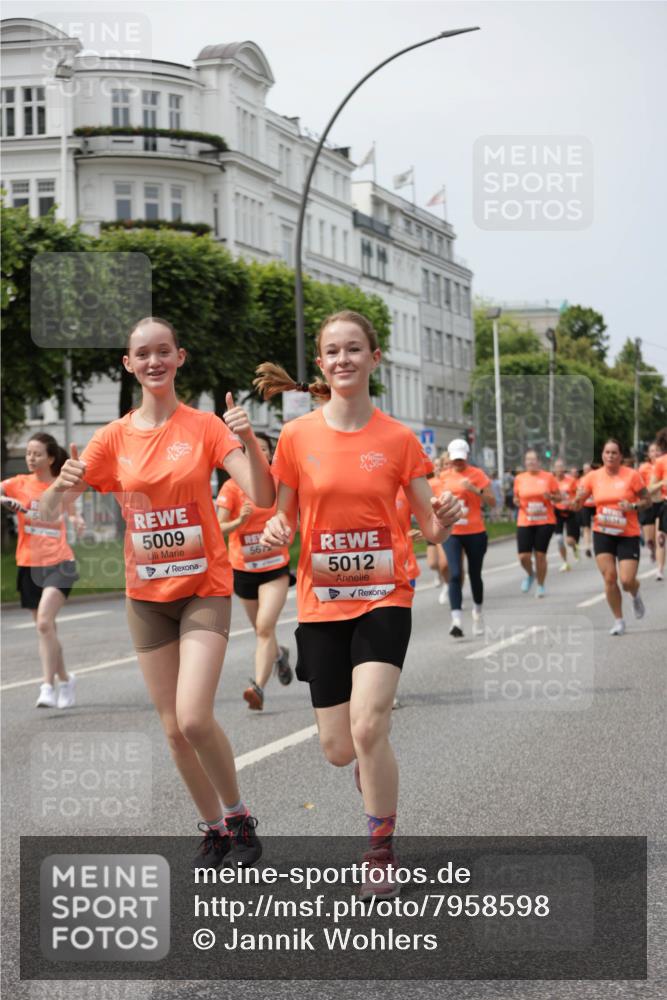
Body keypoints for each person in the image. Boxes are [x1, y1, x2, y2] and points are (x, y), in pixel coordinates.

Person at [41, 317, 274, 870]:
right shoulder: (112, 438)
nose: (153, 361)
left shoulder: (205, 428)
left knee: (194, 717)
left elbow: (261, 495)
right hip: (145, 596)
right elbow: (50, 515)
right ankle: (215, 829)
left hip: (203, 588)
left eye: (163, 352)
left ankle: (239, 815)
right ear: (129, 363)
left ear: (179, 357)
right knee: (172, 731)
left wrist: (246, 438)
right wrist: (62, 481)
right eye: (142, 354)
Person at [253, 310, 460, 899]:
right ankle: (371, 783)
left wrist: (442, 521)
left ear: (374, 358)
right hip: (321, 601)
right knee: (340, 749)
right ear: (320, 364)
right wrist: (275, 534)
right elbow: (284, 516)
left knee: (370, 726)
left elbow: (430, 526)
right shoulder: (296, 437)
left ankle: (380, 849)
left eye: (353, 350)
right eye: (332, 352)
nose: (343, 359)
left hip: (384, 595)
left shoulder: (396, 439)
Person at [1, 433, 82, 709]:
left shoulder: (58, 486)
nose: (31, 458)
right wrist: (4, 501)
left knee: (45, 623)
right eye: (28, 453)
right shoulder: (18, 483)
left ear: (50, 458)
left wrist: (78, 520)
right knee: (46, 629)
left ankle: (47, 685)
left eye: (36, 453)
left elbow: (73, 510)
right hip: (29, 563)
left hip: (60, 563)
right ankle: (66, 678)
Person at [216, 431, 293, 711]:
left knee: (264, 627)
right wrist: (239, 521)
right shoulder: (231, 488)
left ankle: (258, 688)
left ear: (271, 455)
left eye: (263, 449)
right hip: (244, 569)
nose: (257, 453)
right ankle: (279, 655)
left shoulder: (279, 483)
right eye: (251, 448)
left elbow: (294, 515)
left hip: (275, 567)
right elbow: (217, 527)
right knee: (262, 631)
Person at [575, 438, 651, 635]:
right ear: (602, 455)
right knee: (609, 578)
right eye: (607, 452)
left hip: (627, 533)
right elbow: (577, 504)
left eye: (614, 453)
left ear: (621, 456)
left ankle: (635, 593)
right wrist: (576, 499)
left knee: (626, 580)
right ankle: (619, 620)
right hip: (603, 531)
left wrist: (633, 506)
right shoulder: (592, 477)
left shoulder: (632, 476)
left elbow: (647, 501)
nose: (610, 456)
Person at [437, 438, 495, 637]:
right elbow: (433, 503)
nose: (458, 463)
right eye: (455, 459)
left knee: (475, 574)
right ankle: (457, 620)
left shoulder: (478, 475)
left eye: (461, 459)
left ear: (467, 456)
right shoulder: (443, 477)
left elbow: (492, 502)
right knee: (454, 574)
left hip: (475, 531)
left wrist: (473, 489)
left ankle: (478, 612)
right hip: (452, 532)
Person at [513, 449, 561, 597]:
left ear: (539, 462)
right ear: (525, 462)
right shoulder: (520, 478)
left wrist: (551, 496)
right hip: (525, 520)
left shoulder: (548, 477)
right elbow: (516, 497)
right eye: (528, 459)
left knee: (540, 555)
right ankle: (530, 574)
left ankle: (540, 585)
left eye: (533, 459)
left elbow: (558, 498)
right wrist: (515, 501)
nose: (531, 462)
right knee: (523, 557)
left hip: (545, 521)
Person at [427, 454, 451, 603]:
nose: (438, 468)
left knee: (444, 564)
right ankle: (440, 576)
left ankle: (448, 586)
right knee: (432, 563)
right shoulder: (430, 483)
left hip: (443, 526)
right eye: (435, 465)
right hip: (429, 524)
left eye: (441, 465)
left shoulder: (448, 482)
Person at [552, 458, 580, 572]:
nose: (559, 470)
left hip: (570, 511)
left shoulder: (571, 481)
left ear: (564, 469)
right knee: (558, 539)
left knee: (569, 541)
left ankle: (574, 547)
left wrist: (574, 501)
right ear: (554, 469)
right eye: (557, 467)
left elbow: (578, 493)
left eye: (561, 467)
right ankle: (565, 562)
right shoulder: (552, 481)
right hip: (557, 512)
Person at [649, 430, 667, 582]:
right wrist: (662, 483)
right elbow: (650, 487)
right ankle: (660, 569)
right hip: (664, 504)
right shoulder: (661, 462)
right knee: (661, 538)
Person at [578, 461, 597, 557]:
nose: (586, 471)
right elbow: (579, 494)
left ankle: (598, 544)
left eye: (588, 469)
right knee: (586, 527)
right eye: (585, 469)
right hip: (586, 506)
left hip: (596, 505)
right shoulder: (581, 480)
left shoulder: (597, 479)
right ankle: (587, 547)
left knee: (599, 525)